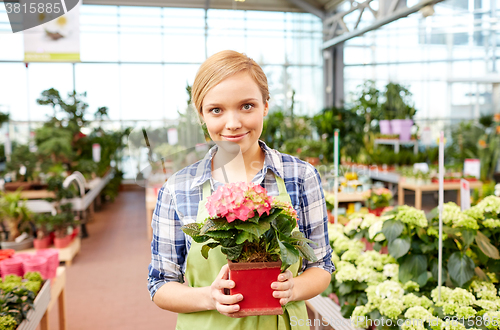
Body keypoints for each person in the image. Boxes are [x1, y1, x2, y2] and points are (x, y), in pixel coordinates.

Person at [148, 50, 334, 330]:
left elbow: (322, 265)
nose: (233, 123)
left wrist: (293, 289)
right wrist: (209, 297)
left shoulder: (300, 177)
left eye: (247, 106)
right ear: (201, 114)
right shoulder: (178, 189)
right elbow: (160, 284)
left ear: (265, 106)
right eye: (216, 110)